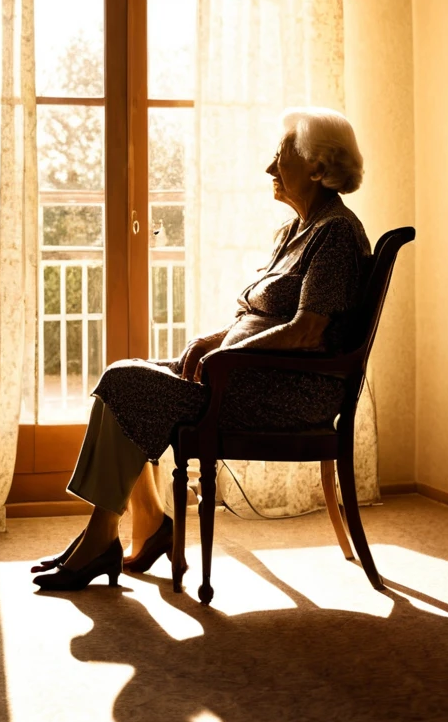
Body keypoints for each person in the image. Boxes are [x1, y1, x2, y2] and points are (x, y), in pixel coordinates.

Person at [31, 106, 370, 592]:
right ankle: (142, 528)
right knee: (121, 380)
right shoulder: (294, 231)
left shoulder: (335, 233)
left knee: (126, 382)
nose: (269, 169)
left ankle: (102, 538)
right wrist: (212, 341)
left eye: (280, 158)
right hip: (243, 376)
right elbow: (257, 315)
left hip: (283, 393)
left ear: (317, 168)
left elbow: (307, 332)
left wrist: (225, 356)